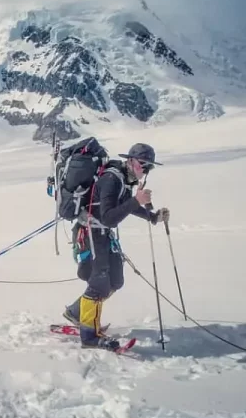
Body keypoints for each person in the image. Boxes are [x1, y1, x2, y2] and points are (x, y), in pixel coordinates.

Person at [62, 143, 170, 350]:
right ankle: (89, 336)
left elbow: (122, 204)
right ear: (130, 160)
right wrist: (137, 201)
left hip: (102, 233)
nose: (145, 169)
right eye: (143, 164)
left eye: (149, 166)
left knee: (116, 281)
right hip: (91, 232)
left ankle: (76, 312)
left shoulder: (123, 178)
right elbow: (110, 217)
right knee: (99, 284)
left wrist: (152, 216)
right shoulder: (112, 179)